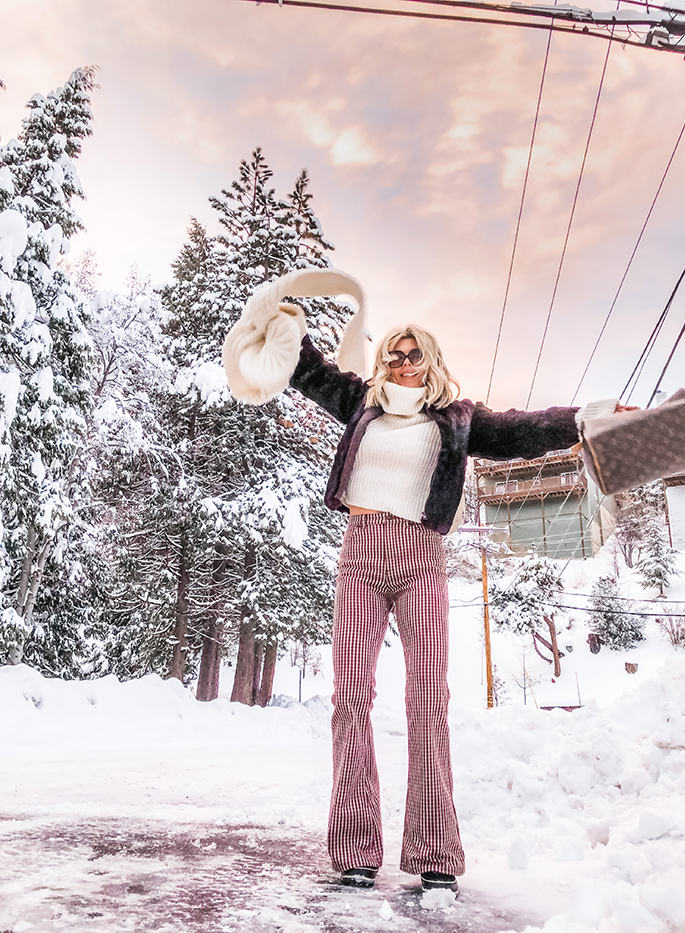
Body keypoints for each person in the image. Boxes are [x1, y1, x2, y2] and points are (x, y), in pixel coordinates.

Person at [222, 270, 598, 894]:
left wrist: (583, 419)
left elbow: (524, 431)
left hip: (421, 557)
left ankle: (434, 854)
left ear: (431, 362)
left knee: (428, 700)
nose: (401, 362)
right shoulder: (361, 406)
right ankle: (355, 850)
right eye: (391, 353)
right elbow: (307, 372)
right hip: (362, 553)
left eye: (412, 353)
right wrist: (282, 320)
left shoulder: (458, 420)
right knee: (351, 699)